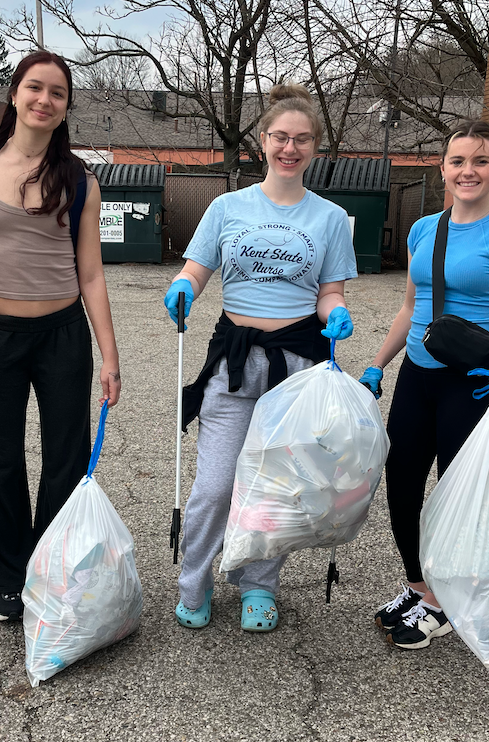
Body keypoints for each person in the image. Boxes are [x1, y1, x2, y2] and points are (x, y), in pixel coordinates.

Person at [163, 83, 358, 632]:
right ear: (263, 141)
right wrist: (182, 287)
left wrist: (335, 311)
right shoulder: (227, 207)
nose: (289, 148)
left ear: (314, 147)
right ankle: (194, 583)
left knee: (276, 484)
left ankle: (259, 585)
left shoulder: (329, 218)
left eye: (301, 140)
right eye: (279, 137)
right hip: (234, 358)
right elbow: (196, 270)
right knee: (216, 485)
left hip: (296, 365)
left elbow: (330, 291)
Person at [0, 50, 121, 623]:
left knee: (64, 460)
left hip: (63, 335)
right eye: (35, 88)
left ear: (67, 106)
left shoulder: (78, 180)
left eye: (58, 93)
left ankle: (50, 569)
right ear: (14, 95)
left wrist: (109, 355)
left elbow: (91, 273)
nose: (45, 100)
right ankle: (9, 578)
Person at [359, 120, 489, 650]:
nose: (468, 171)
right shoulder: (424, 230)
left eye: (480, 161)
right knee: (401, 481)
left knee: (456, 492)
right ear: (442, 168)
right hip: (418, 376)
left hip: (474, 380)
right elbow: (411, 308)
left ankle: (441, 602)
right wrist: (378, 364)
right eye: (458, 161)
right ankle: (417, 585)